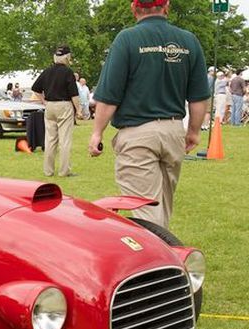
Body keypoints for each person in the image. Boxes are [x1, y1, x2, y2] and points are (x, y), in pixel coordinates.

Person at [88, 0, 209, 230]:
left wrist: (97, 132)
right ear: (166, 7)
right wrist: (193, 131)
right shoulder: (188, 41)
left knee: (146, 215)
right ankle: (167, 258)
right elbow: (199, 97)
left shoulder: (127, 39)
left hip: (137, 135)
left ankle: (160, 262)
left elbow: (110, 95)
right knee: (162, 207)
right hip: (174, 132)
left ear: (134, 9)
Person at [31, 45, 82, 177]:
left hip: (50, 106)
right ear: (67, 57)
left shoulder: (47, 71)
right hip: (64, 105)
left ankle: (48, 171)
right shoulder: (67, 72)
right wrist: (79, 110)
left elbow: (35, 88)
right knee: (64, 140)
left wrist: (44, 101)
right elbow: (74, 95)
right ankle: (64, 171)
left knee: (50, 140)